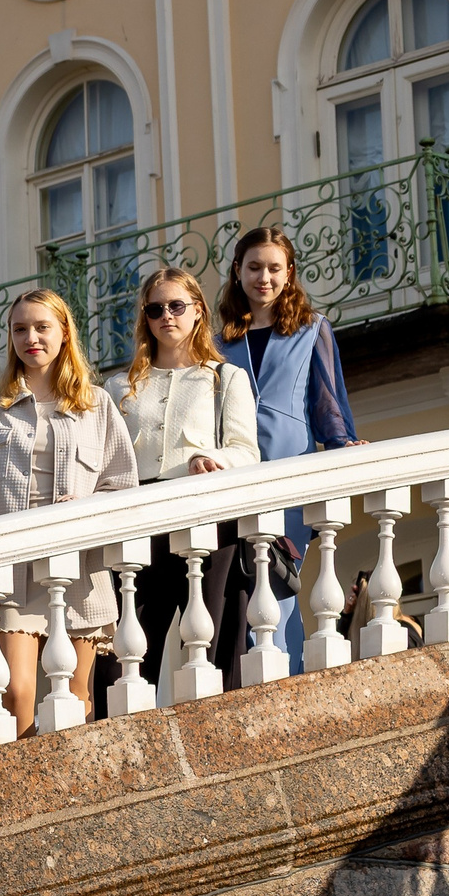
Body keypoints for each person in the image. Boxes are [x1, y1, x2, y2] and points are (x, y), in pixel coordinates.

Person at [0, 289, 140, 732]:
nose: (30, 338)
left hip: (80, 571)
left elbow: (123, 485)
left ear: (63, 333)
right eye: (20, 329)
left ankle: (71, 789)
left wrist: (87, 506)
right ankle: (28, 786)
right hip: (11, 573)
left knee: (75, 696)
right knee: (15, 693)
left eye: (41, 327)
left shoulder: (97, 404)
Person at [101, 268, 261, 693]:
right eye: (155, 309)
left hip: (207, 518)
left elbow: (247, 451)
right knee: (127, 656)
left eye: (176, 306)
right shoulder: (118, 386)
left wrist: (212, 458)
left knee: (209, 648)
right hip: (140, 521)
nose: (166, 316)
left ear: (197, 311)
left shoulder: (225, 378)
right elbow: (106, 462)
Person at [220, 227, 363, 665]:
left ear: (289, 273)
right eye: (255, 267)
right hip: (235, 473)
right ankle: (265, 676)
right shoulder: (218, 339)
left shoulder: (311, 328)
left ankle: (286, 674)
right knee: (243, 586)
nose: (264, 277)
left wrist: (342, 444)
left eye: (274, 268)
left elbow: (326, 399)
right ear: (238, 272)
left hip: (290, 472)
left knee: (281, 577)